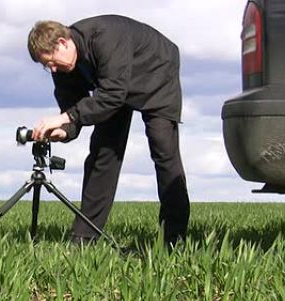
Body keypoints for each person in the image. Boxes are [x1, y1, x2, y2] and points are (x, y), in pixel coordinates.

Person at [27, 14, 190, 247]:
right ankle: (85, 238)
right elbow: (73, 108)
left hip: (156, 72)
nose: (52, 69)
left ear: (63, 43)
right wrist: (65, 131)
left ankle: (174, 240)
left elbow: (112, 95)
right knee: (102, 155)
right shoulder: (62, 69)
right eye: (46, 66)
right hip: (114, 87)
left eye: (51, 61)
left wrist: (66, 117)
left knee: (163, 151)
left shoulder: (104, 37)